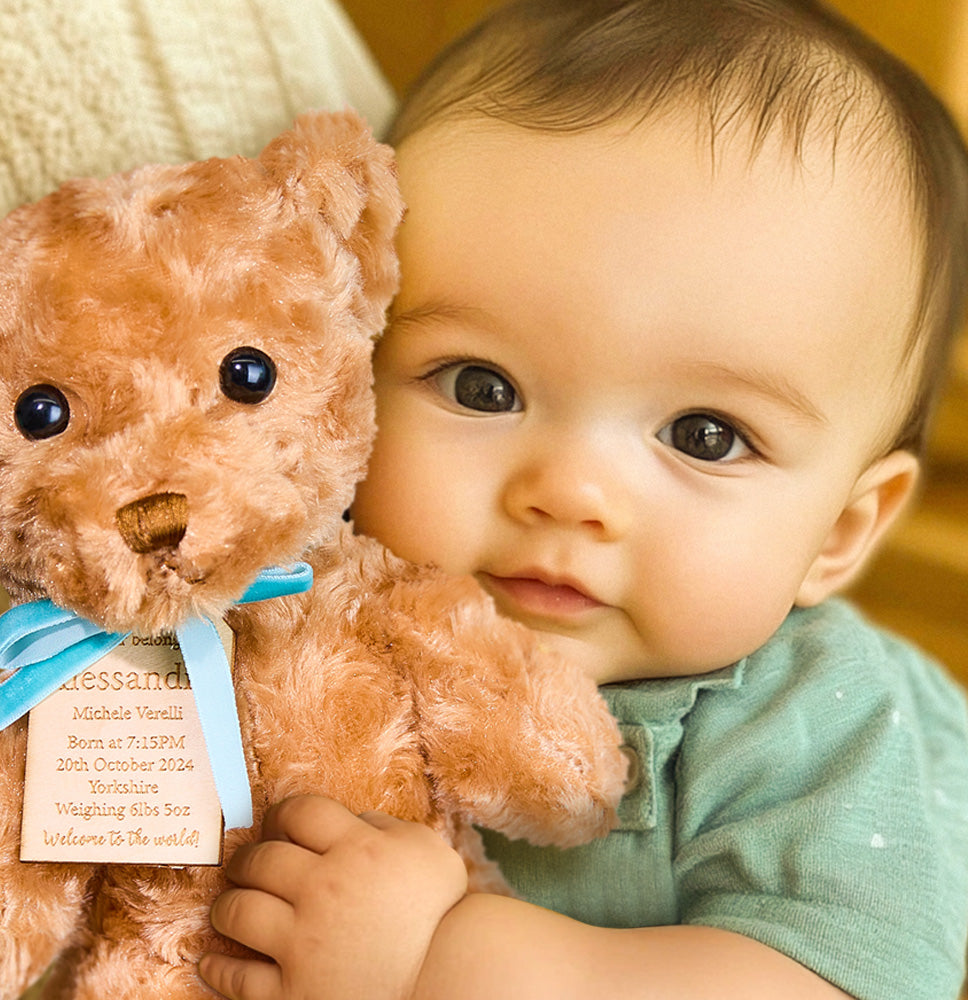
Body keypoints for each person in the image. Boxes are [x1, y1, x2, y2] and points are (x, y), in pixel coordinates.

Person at [198, 1, 968, 997]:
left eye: (704, 435)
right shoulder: (317, 619)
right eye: (481, 386)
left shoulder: (818, 723)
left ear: (840, 530)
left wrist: (438, 961)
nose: (569, 493)